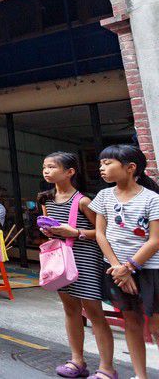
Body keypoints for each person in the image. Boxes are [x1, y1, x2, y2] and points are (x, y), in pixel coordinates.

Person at [39, 152, 115, 379]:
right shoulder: (47, 200)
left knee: (94, 312)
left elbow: (104, 233)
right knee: (70, 310)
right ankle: (77, 361)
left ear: (70, 172)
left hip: (85, 260)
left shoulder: (83, 201)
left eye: (52, 167)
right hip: (61, 262)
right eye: (44, 167)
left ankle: (107, 368)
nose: (46, 171)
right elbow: (51, 230)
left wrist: (76, 232)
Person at [90, 144, 159, 379]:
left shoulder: (152, 199)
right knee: (132, 322)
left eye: (108, 163)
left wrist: (128, 267)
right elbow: (101, 233)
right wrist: (118, 268)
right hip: (116, 268)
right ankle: (141, 376)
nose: (102, 168)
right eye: (101, 163)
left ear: (130, 168)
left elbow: (155, 240)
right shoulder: (103, 196)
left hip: (149, 269)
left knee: (157, 325)